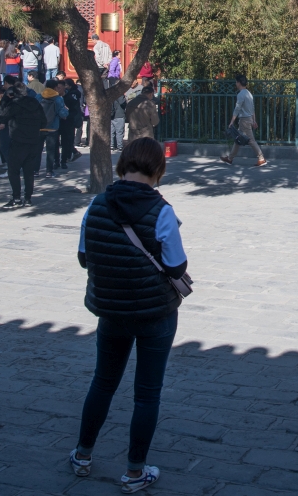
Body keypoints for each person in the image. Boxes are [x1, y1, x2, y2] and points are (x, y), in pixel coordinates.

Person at [71, 138, 187, 492]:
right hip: (155, 313)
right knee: (147, 394)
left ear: (124, 165)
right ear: (158, 170)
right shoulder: (162, 210)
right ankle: (135, 472)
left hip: (112, 310)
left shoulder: (97, 204)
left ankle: (83, 455)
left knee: (102, 383)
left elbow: (84, 256)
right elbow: (176, 264)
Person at [0, 83, 46, 208]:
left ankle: (16, 197)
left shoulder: (14, 104)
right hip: (33, 141)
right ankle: (28, 198)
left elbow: (1, 114)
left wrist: (5, 99)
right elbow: (44, 121)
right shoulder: (35, 103)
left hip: (18, 141)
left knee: (13, 170)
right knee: (29, 171)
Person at [221, 75, 266, 166]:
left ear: (239, 83)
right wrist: (254, 120)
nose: (235, 84)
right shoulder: (249, 94)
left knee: (250, 140)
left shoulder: (241, 94)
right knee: (238, 139)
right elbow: (252, 109)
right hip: (248, 119)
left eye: (236, 82)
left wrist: (231, 121)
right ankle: (230, 158)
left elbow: (237, 109)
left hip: (244, 120)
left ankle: (261, 158)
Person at [40, 82, 68, 177]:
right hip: (53, 128)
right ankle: (49, 171)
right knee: (50, 151)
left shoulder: (39, 96)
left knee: (37, 150)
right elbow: (63, 114)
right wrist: (66, 110)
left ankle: (35, 170)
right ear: (55, 87)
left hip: (40, 127)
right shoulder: (58, 98)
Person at [109, 80, 128, 152]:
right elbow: (122, 102)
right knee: (119, 131)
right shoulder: (119, 93)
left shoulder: (110, 93)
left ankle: (112, 145)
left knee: (112, 131)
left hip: (111, 114)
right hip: (119, 114)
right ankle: (119, 146)